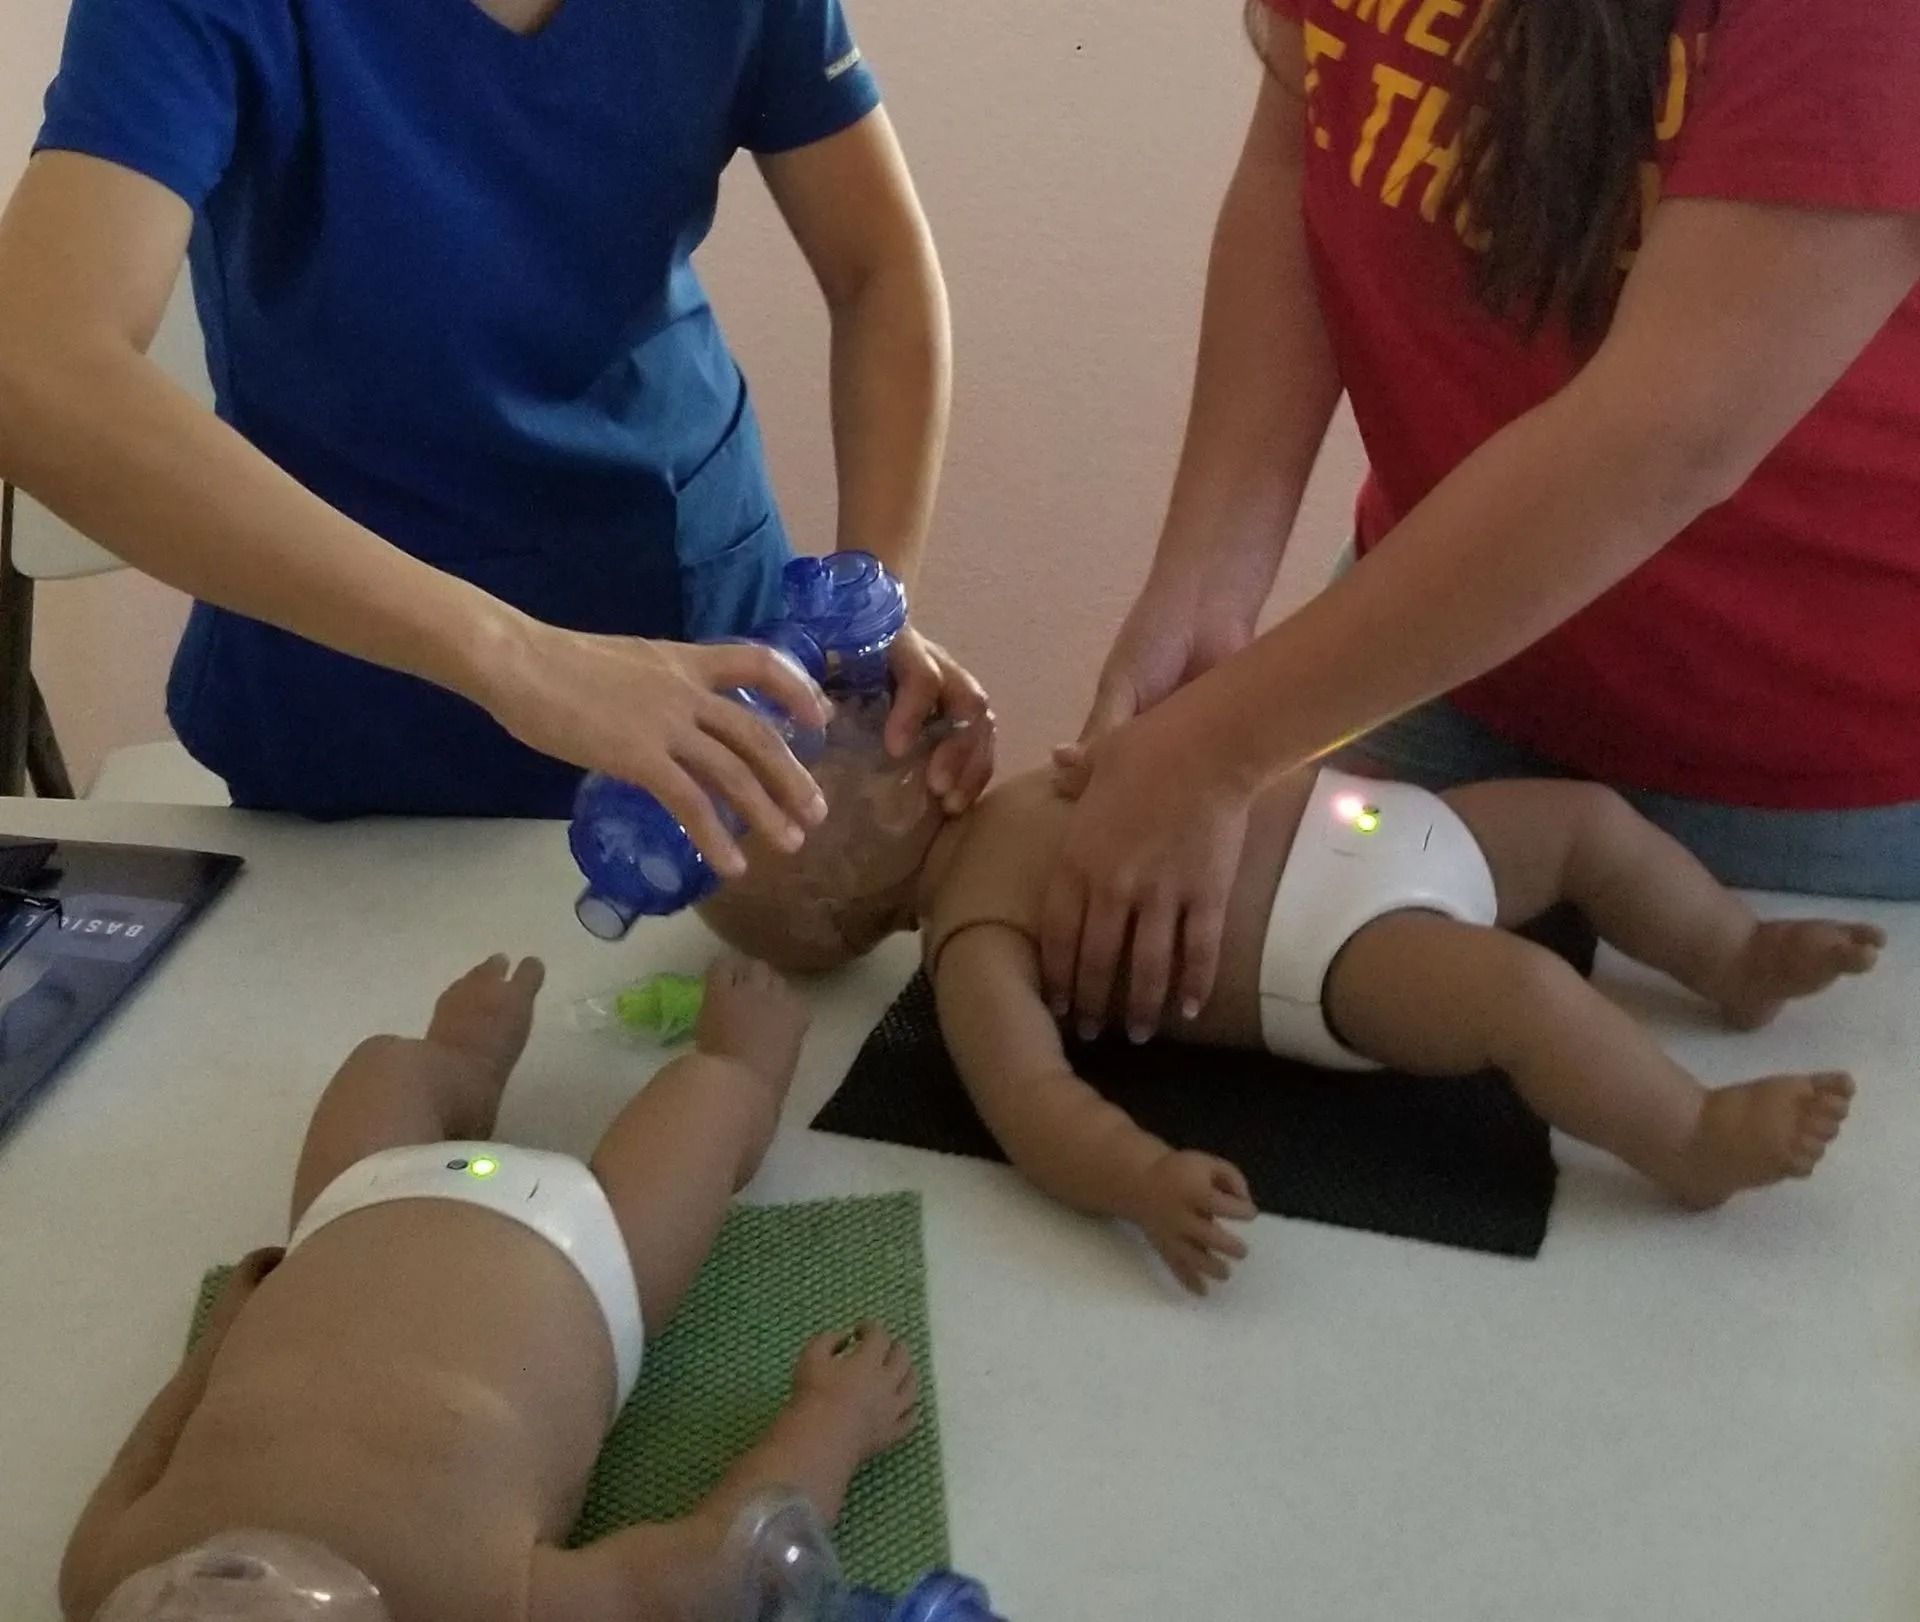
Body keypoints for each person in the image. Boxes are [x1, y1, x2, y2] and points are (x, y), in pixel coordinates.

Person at [1041, 0, 1920, 1035]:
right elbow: (1303, 159)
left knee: (1694, 1159)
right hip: (1427, 671)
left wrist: (1218, 747)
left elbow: (1663, 437)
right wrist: (1204, 591)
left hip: (1809, 772)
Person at [0, 0, 993, 862]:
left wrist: (873, 599)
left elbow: (879, 271)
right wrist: (517, 658)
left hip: (708, 653)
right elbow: (35, 368)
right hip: (363, 716)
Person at [697, 744, 1877, 1295]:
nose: (868, 729)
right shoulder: (974, 940)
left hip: (1396, 826)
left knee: (1589, 819)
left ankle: (1733, 952)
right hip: (1337, 949)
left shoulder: (1041, 778)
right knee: (1524, 996)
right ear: (836, 887)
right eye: (823, 760)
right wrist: (1144, 1177)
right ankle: (1688, 1136)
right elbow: (1033, 1105)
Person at [58, 953, 923, 1622]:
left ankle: (462, 1065)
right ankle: (751, 1061)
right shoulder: (484, 1600)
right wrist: (833, 1424)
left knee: (386, 1068)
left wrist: (219, 1344)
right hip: (584, 1245)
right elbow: (726, 1570)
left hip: (354, 1210)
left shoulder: (109, 1576)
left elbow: (149, 1446)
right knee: (709, 1103)